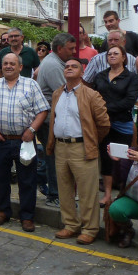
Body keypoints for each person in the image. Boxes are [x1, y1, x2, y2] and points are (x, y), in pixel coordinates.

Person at [0, 52, 50, 231]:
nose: (8, 66)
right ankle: (2, 211)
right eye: (5, 63)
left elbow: (43, 111)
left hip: (24, 141)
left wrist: (32, 130)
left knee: (27, 180)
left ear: (20, 67)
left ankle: (27, 217)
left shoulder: (31, 85)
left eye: (12, 63)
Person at [48, 58, 110, 245]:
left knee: (87, 191)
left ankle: (90, 229)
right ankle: (70, 225)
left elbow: (104, 124)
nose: (69, 69)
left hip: (81, 147)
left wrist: (90, 140)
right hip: (61, 147)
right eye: (66, 67)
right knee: (64, 189)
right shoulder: (57, 94)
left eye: (74, 66)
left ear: (82, 72)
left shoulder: (91, 95)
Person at [91, 45, 138, 207]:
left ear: (123, 57)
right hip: (103, 124)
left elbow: (130, 100)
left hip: (122, 123)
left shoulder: (131, 77)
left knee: (122, 160)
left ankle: (123, 194)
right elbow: (94, 97)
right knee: (106, 159)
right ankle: (107, 195)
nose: (111, 56)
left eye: (115, 54)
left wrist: (104, 108)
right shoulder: (100, 76)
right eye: (109, 54)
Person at [35, 32, 76, 206]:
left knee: (52, 155)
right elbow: (66, 91)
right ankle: (53, 194)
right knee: (52, 155)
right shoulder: (53, 65)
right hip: (48, 119)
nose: (73, 52)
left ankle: (43, 182)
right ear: (59, 49)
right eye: (70, 48)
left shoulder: (55, 62)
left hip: (51, 118)